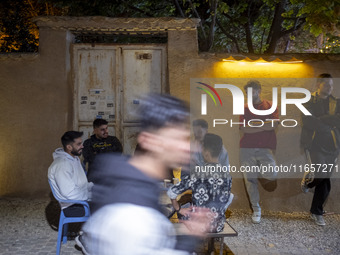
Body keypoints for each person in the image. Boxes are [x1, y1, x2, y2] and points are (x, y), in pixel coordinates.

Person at [77, 94, 211, 255]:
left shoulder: (136, 186)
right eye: (179, 138)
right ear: (149, 141)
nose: (189, 148)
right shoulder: (132, 215)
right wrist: (193, 236)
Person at [168, 133, 233, 233]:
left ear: (206, 153)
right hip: (217, 226)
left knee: (184, 206)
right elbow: (227, 198)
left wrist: (179, 209)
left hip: (197, 226)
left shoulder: (196, 173)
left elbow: (171, 192)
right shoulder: (227, 175)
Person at [300, 73, 339, 226]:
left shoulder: (335, 102)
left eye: (332, 85)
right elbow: (309, 122)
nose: (330, 88)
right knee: (321, 174)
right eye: (327, 85)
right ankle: (309, 182)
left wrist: (322, 119)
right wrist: (329, 122)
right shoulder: (308, 102)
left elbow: (339, 120)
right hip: (314, 144)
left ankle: (316, 211)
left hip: (333, 145)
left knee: (326, 177)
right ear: (318, 85)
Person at [239, 80, 279, 224]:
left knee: (272, 173)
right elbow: (244, 129)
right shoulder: (243, 107)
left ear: (258, 90)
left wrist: (254, 125)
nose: (249, 95)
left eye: (251, 91)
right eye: (246, 93)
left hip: (266, 147)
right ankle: (256, 209)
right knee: (249, 180)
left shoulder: (270, 106)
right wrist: (264, 125)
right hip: (246, 148)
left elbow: (274, 124)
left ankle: (260, 175)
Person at [48, 131, 93, 217]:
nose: (82, 146)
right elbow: (70, 194)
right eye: (79, 144)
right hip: (72, 207)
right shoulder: (62, 165)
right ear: (69, 147)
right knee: (109, 207)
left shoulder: (74, 159)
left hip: (80, 201)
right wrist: (91, 195)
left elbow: (82, 185)